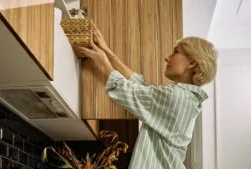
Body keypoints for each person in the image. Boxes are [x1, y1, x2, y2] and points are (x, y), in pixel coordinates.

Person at [77, 24, 217, 169]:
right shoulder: (186, 98)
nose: (167, 58)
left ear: (192, 63)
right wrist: (108, 53)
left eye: (176, 52)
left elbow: (127, 91)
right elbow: (142, 88)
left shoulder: (178, 97)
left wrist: (103, 61)